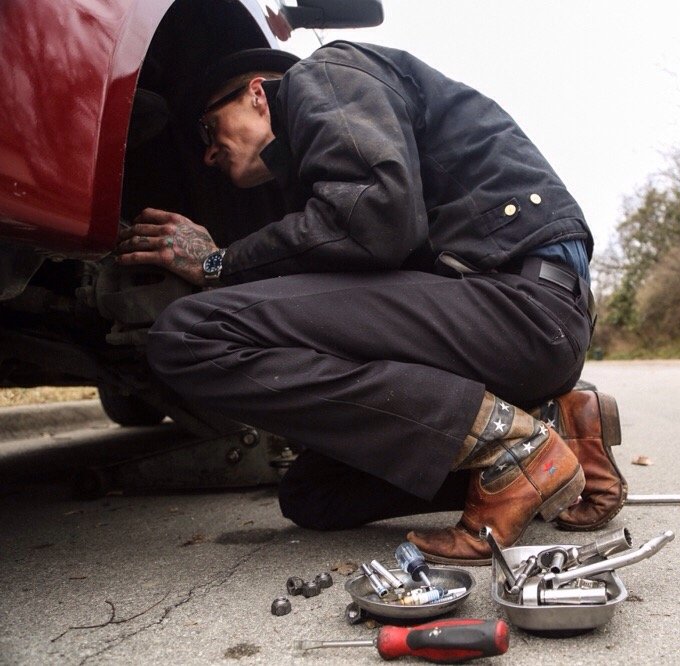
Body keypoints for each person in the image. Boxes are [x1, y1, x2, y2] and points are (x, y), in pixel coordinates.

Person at [117, 43, 627, 564]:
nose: (207, 154)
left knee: (189, 334)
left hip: (518, 306)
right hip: (513, 323)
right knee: (314, 495)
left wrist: (218, 263)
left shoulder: (322, 74)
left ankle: (507, 444)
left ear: (256, 95)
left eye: (209, 129)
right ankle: (554, 434)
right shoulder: (324, 155)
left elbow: (376, 219)